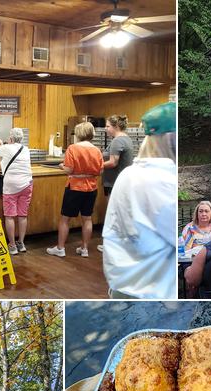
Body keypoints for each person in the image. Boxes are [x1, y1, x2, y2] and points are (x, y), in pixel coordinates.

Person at [101, 101, 177, 299]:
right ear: (169, 137)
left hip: (126, 288)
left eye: (108, 126)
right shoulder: (161, 181)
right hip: (150, 295)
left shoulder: (130, 175)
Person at [46, 121, 103, 258]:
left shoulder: (73, 148)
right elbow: (100, 171)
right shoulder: (97, 150)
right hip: (91, 187)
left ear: (78, 133)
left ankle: (60, 248)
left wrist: (61, 166)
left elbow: (69, 169)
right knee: (87, 218)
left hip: (75, 186)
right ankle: (84, 248)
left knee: (65, 219)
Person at [0, 127, 33, 254]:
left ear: (11, 138)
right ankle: (21, 243)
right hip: (27, 184)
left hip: (11, 185)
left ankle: (12, 246)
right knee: (23, 215)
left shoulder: (6, 148)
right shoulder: (26, 149)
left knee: (10, 216)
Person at [97, 114, 135, 253]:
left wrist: (97, 165)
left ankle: (112, 244)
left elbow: (113, 162)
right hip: (122, 182)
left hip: (114, 182)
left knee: (114, 214)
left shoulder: (117, 141)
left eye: (108, 126)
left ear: (116, 126)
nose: (106, 129)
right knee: (121, 213)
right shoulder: (127, 139)